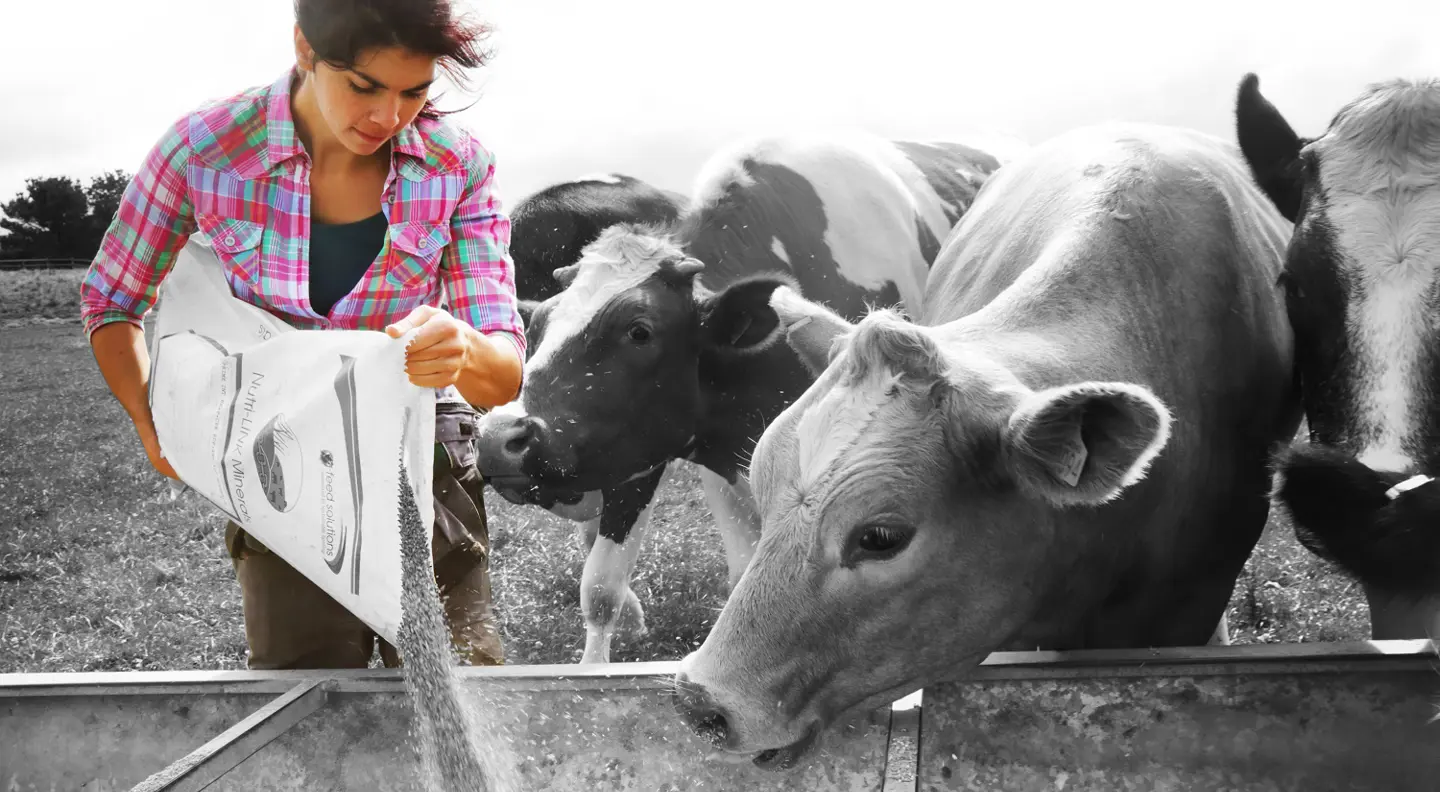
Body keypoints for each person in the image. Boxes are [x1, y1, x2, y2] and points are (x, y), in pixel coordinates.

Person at [78, 0, 526, 670]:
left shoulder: (458, 165)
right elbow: (112, 299)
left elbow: (505, 370)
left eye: (415, 92)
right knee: (303, 687)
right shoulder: (204, 148)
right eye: (364, 86)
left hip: (424, 450)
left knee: (460, 675)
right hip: (274, 455)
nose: (389, 117)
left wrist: (458, 345)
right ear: (305, 49)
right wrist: (153, 425)